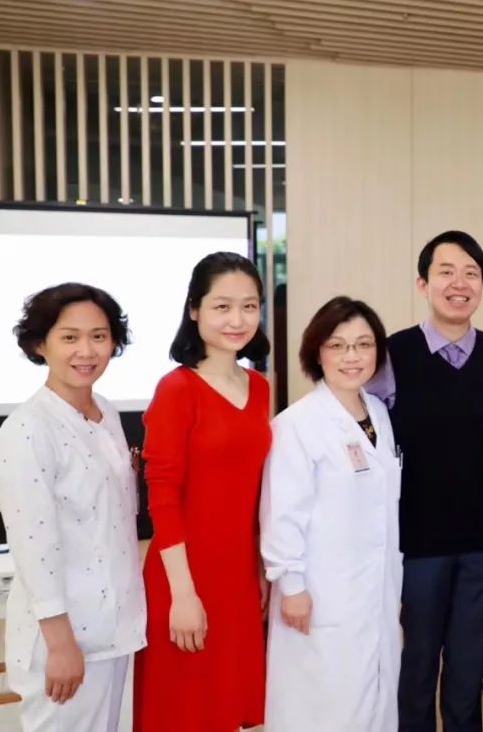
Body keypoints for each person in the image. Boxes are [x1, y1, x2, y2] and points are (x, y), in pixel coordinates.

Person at [366, 230, 483, 732]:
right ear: (422, 283)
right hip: (415, 541)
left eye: (471, 273)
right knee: (417, 662)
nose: (460, 283)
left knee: (469, 665)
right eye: (446, 272)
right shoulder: (391, 355)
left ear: (482, 286)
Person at [0, 283, 146, 732]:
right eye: (70, 337)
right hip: (65, 640)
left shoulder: (106, 413)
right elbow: (34, 547)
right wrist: (60, 645)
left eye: (99, 336)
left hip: (114, 628)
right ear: (41, 344)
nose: (86, 351)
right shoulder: (27, 431)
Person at [133, 252, 272, 732]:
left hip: (239, 575)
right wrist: (183, 594)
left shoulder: (259, 387)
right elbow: (162, 496)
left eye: (249, 306)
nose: (238, 320)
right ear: (194, 309)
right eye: (222, 306)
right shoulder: (177, 389)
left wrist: (260, 568)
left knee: (227, 708)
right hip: (185, 576)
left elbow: (257, 489)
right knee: (185, 712)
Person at [259, 296, 402, 731]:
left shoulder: (378, 412)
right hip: (319, 592)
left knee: (373, 695)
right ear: (317, 352)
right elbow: (281, 513)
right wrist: (291, 584)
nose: (352, 356)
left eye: (363, 344)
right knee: (323, 702)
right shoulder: (297, 424)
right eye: (338, 346)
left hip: (374, 588)